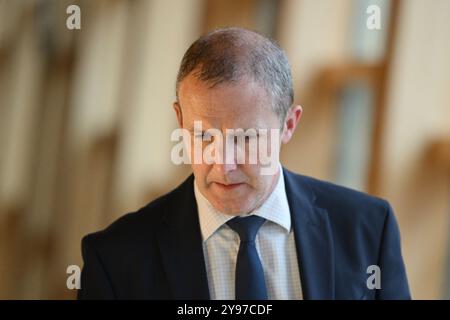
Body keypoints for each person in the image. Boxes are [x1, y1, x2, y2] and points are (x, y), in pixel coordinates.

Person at [77, 27, 410, 300]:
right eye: (203, 136)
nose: (223, 165)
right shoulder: (115, 259)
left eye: (247, 138)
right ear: (179, 120)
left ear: (289, 125)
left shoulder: (368, 229)